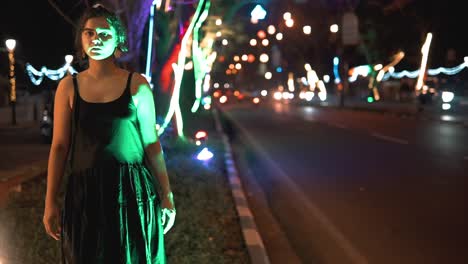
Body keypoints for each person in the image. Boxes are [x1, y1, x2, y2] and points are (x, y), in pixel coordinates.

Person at [42, 4, 175, 263]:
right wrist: (50, 202)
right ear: (81, 39)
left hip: (131, 192)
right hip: (85, 194)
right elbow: (59, 147)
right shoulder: (69, 87)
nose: (96, 39)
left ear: (118, 42)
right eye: (89, 33)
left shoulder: (137, 85)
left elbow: (151, 144)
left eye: (104, 34)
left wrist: (167, 195)